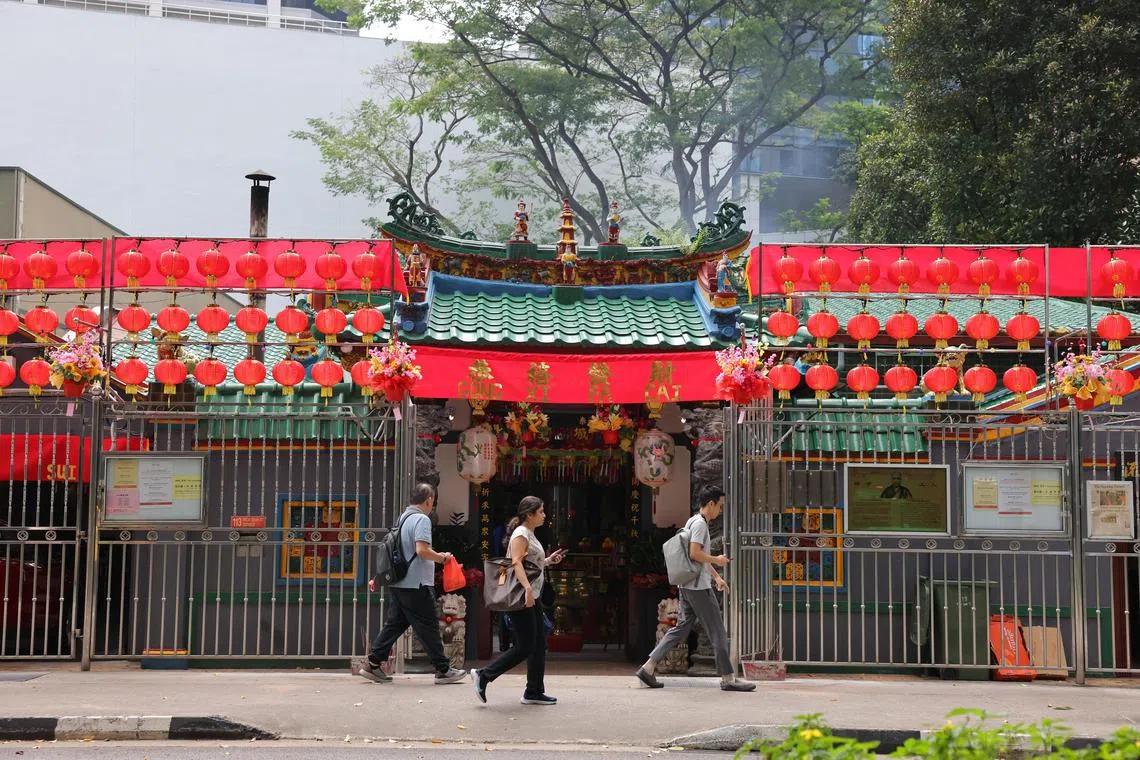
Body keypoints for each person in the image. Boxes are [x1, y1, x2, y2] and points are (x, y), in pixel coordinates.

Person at [636, 485, 755, 692]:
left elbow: (698, 558)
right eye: (720, 505)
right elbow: (695, 554)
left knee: (680, 629)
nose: (720, 510)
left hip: (687, 585)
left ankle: (648, 667)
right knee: (717, 630)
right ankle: (728, 678)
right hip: (698, 588)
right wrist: (717, 560)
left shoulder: (692, 520)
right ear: (711, 504)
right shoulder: (700, 525)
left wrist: (716, 577)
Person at [359, 483, 468, 685]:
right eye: (432, 502)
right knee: (429, 626)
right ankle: (443, 670)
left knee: (394, 625)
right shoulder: (421, 519)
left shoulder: (403, 518)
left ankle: (372, 664)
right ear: (429, 500)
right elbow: (421, 550)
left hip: (400, 583)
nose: (432, 505)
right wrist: (442, 558)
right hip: (416, 584)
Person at [473, 496, 566, 705]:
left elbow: (529, 564)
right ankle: (484, 675)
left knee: (538, 643)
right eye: (541, 511)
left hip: (531, 595)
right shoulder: (521, 533)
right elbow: (516, 563)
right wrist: (526, 589)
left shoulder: (529, 534)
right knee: (525, 645)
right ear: (529, 514)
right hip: (522, 596)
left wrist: (549, 561)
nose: (544, 515)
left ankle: (533, 690)